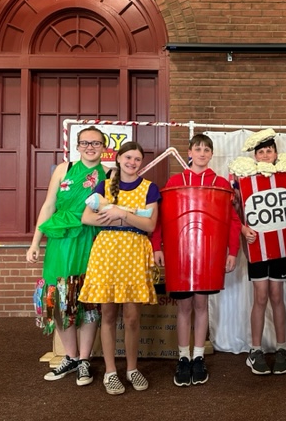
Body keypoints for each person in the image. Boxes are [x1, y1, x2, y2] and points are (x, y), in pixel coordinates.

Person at [152, 134, 241, 387]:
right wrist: (156, 246)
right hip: (180, 254)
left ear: (211, 154)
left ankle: (198, 356)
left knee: (201, 305)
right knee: (183, 307)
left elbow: (233, 221)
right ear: (189, 152)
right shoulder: (175, 182)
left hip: (207, 256)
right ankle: (183, 358)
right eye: (198, 149)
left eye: (206, 150)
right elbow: (161, 217)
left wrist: (232, 251)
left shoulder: (220, 183)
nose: (202, 153)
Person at [27, 126, 108, 386]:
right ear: (77, 145)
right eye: (85, 143)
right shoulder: (64, 169)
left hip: (91, 240)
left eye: (95, 143)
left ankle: (84, 360)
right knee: (58, 297)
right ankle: (70, 357)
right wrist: (35, 243)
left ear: (104, 146)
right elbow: (49, 205)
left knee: (87, 300)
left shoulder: (109, 173)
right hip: (60, 240)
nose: (90, 147)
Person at [78, 141, 160, 395]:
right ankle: (111, 372)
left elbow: (150, 225)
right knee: (108, 314)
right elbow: (87, 218)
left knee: (132, 317)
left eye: (137, 159)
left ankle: (132, 369)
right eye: (128, 157)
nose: (132, 162)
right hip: (107, 253)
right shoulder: (104, 186)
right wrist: (126, 217)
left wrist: (120, 214)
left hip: (134, 253)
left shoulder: (149, 188)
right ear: (119, 159)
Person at [239, 130, 286, 375]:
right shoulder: (244, 178)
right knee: (260, 296)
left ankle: (282, 347)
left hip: (278, 246)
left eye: (269, 150)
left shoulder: (285, 175)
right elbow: (235, 209)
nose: (266, 154)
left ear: (276, 154)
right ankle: (255, 349)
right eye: (261, 151)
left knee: (277, 296)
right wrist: (243, 229)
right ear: (255, 156)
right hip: (257, 246)